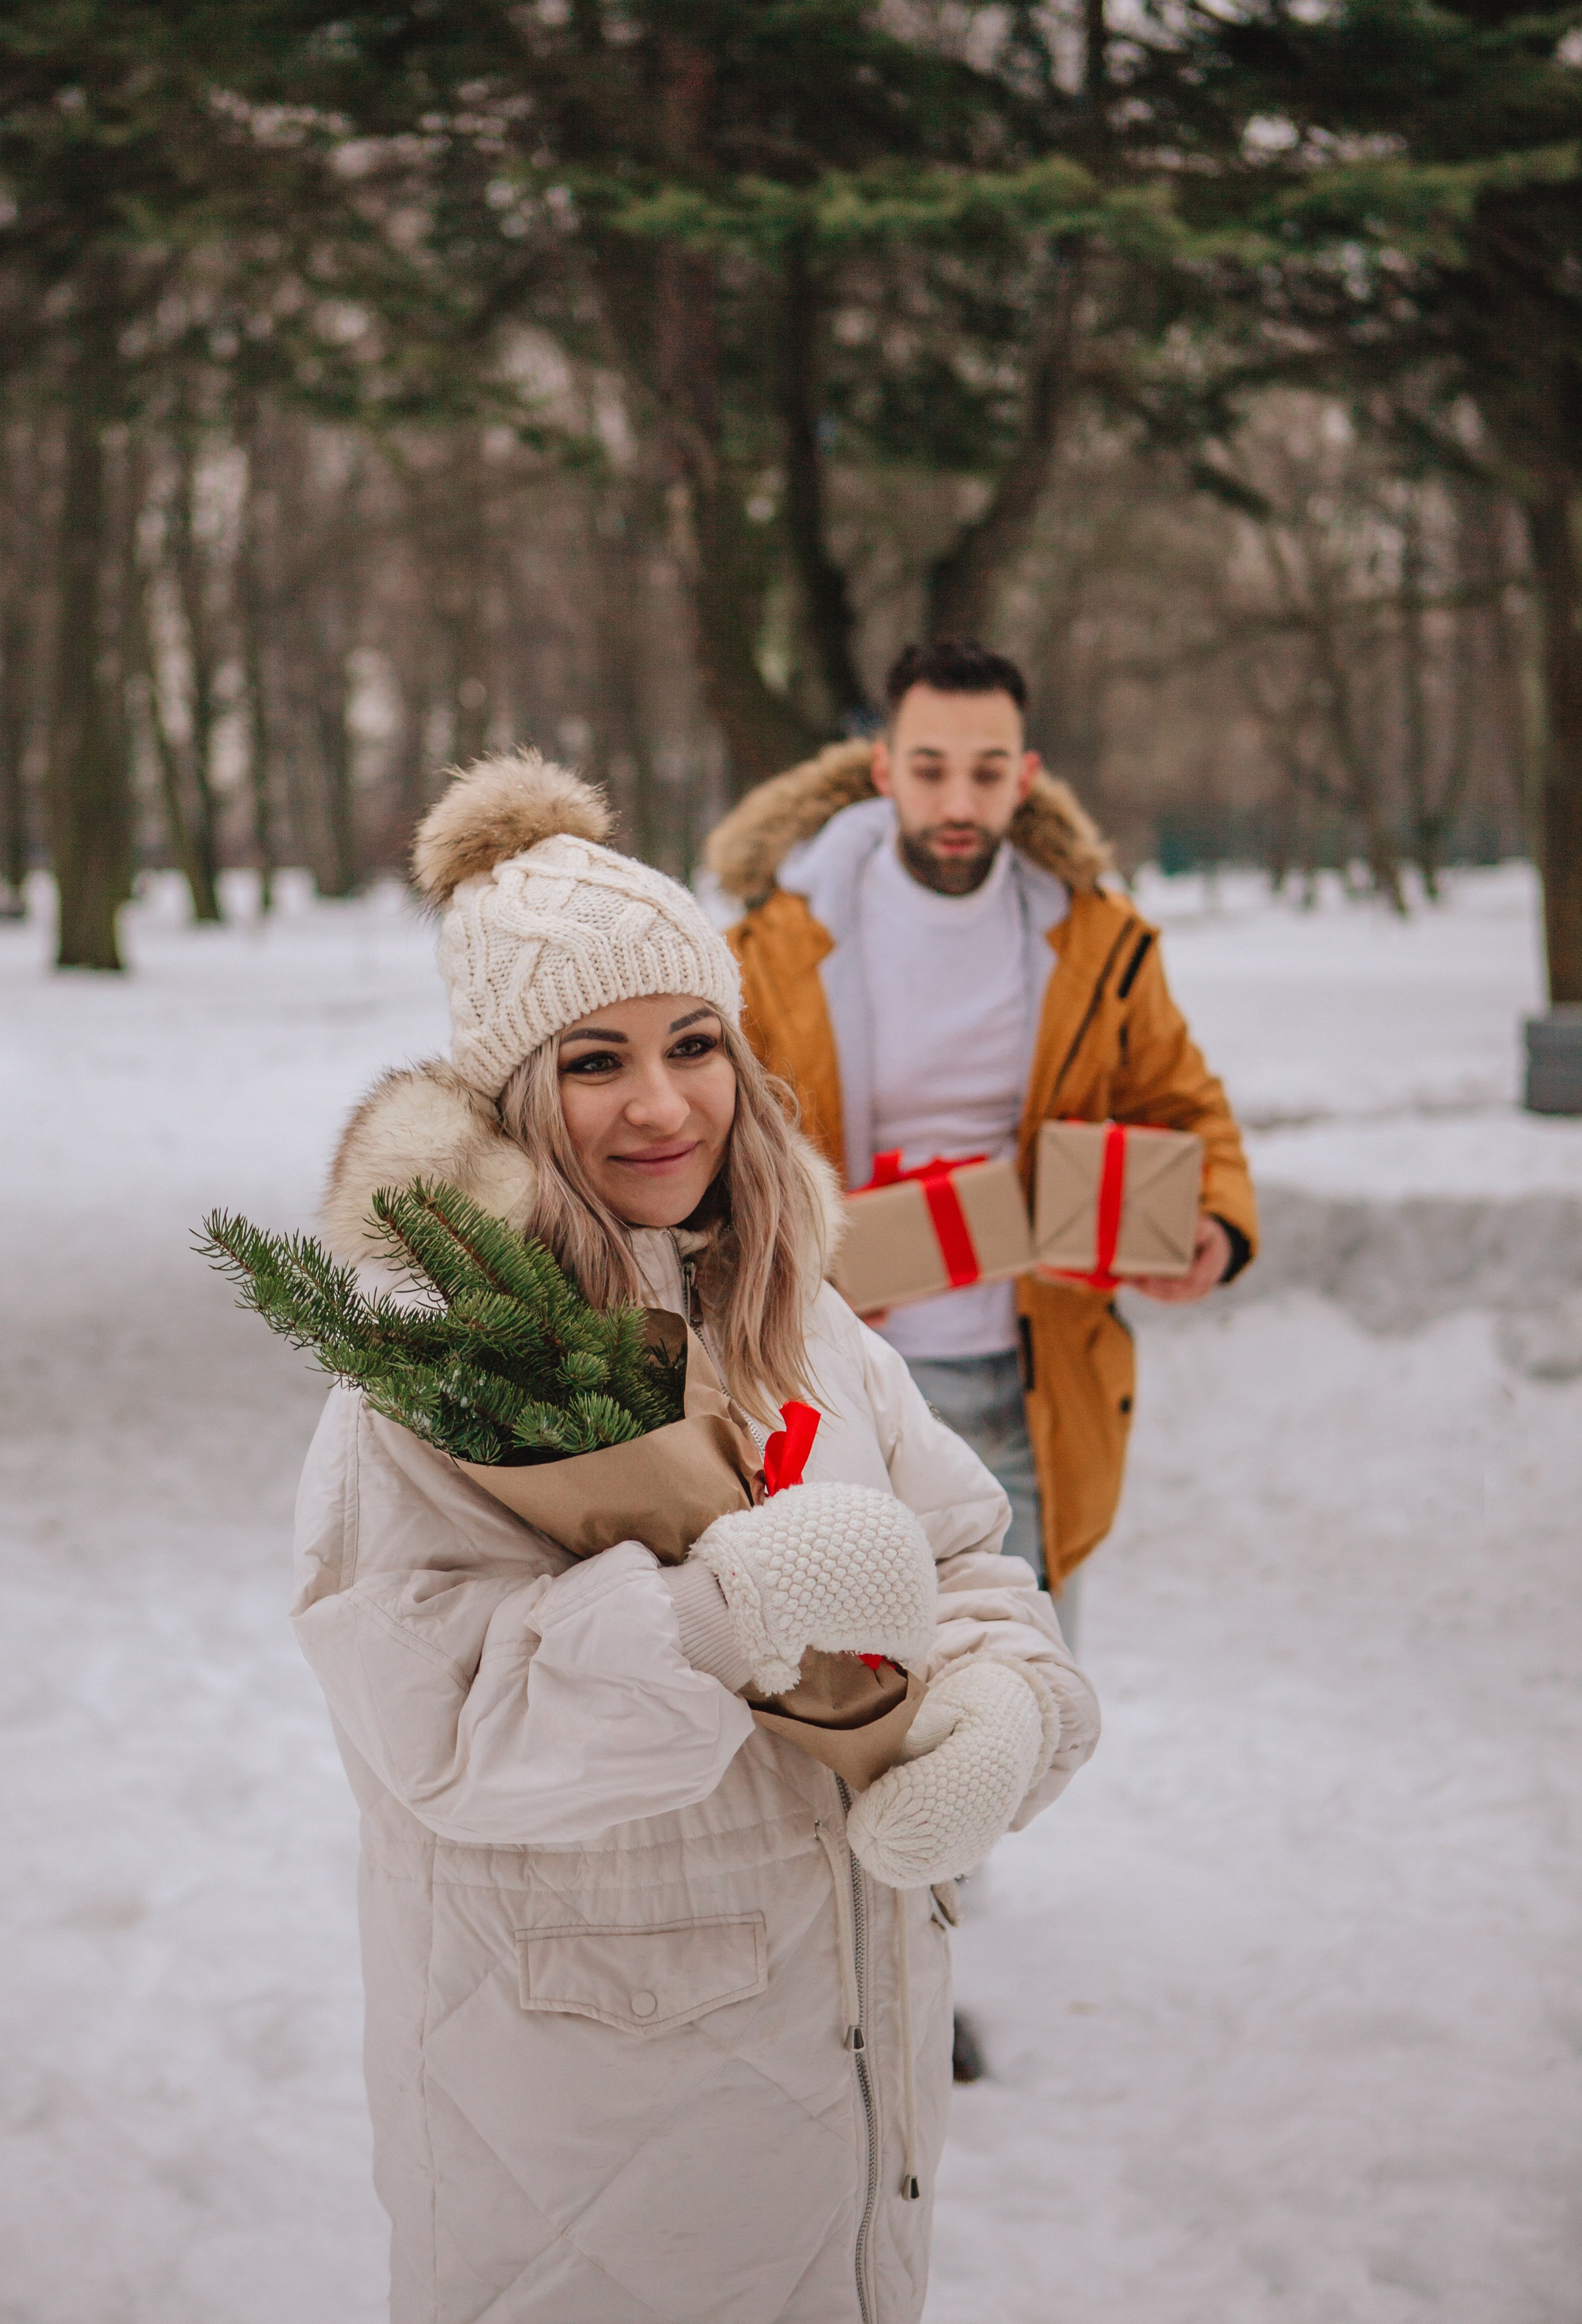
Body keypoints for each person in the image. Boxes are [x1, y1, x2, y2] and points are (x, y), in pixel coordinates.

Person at [296, 751, 1100, 2324]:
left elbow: (970, 1568)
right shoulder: (435, 1382)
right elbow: (447, 1734)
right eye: (593, 1062)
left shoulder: (807, 1325)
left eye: (693, 1046)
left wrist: (1002, 1714)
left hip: (845, 2102)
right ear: (513, 1099)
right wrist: (713, 1616)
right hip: (583, 2143)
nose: (663, 1105)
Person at [707, 639, 1258, 1648]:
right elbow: (705, 1144)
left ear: (1027, 776)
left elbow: (1185, 1107)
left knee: (1016, 1700)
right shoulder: (769, 948)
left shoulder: (1095, 941)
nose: (958, 802)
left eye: (987, 771)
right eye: (929, 769)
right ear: (882, 768)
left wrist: (1215, 1223)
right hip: (827, 1387)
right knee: (840, 1706)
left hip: (1028, 1379)